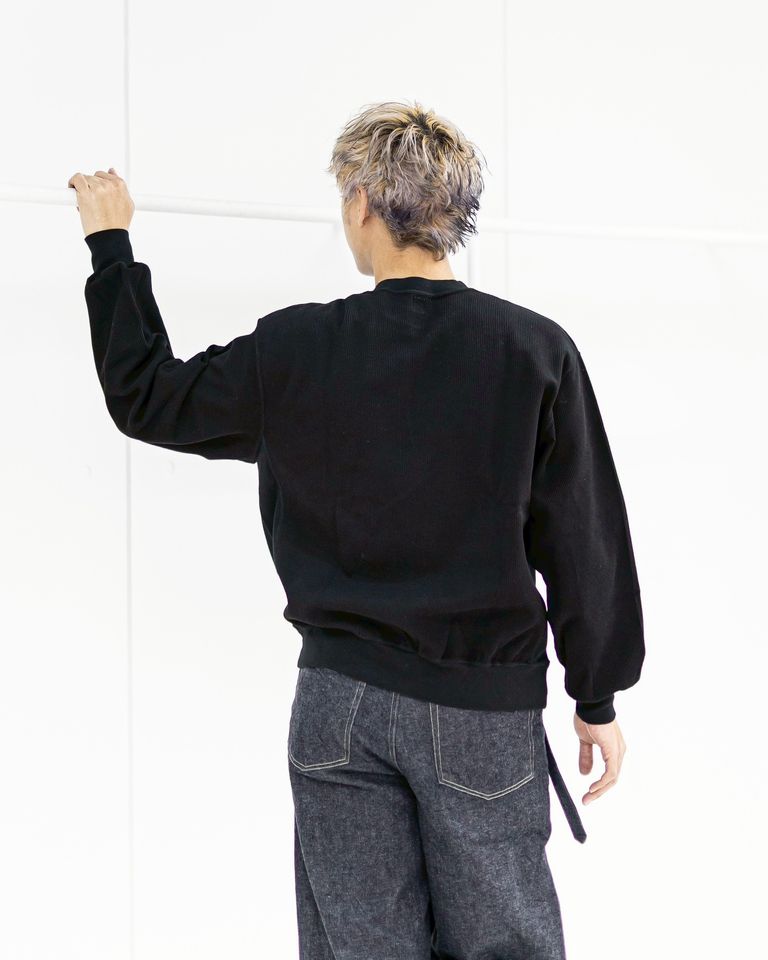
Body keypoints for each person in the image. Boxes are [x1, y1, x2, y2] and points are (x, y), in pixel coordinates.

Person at [69, 98, 644, 960]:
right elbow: (583, 538)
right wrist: (595, 697)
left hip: (340, 705)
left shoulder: (297, 349)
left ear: (363, 202)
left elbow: (148, 396)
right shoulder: (533, 351)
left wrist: (111, 244)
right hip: (480, 710)